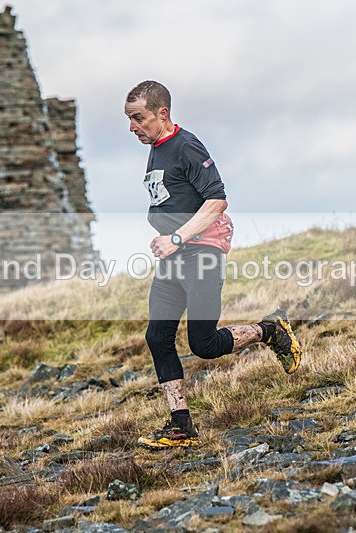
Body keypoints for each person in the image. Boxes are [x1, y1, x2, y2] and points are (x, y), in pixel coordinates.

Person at [124, 80, 302, 449]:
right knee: (157, 337)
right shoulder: (157, 148)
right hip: (175, 257)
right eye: (129, 119)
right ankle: (181, 426)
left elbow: (217, 200)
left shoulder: (186, 145)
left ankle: (270, 331)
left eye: (138, 118)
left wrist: (176, 237)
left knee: (203, 344)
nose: (132, 127)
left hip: (202, 253)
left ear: (162, 113)